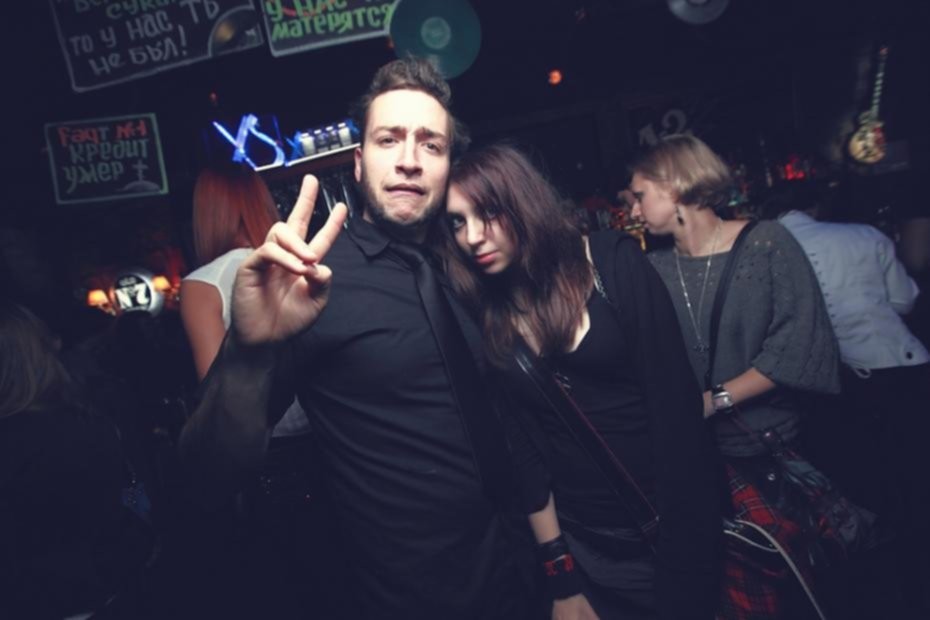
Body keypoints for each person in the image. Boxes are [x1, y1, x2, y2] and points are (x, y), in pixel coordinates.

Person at [178, 58, 535, 619]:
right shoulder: (311, 282)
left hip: (523, 577)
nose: (409, 160)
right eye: (389, 139)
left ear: (448, 166)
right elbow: (206, 475)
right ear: (359, 161)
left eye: (431, 144)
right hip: (409, 601)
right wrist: (249, 350)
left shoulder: (471, 262)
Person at [438, 144, 721, 619]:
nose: (472, 236)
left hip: (672, 531)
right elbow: (527, 454)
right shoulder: (489, 313)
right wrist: (562, 576)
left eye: (487, 213)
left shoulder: (612, 263)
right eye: (456, 222)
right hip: (588, 548)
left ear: (522, 203)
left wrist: (683, 564)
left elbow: (678, 416)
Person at [629, 135, 840, 616]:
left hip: (768, 447)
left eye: (640, 195)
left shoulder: (766, 243)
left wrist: (711, 401)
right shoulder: (652, 267)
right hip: (697, 461)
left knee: (796, 582)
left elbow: (798, 346)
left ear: (675, 186)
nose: (634, 210)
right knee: (732, 592)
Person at [763, 180, 930, 615]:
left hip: (838, 387)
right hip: (901, 367)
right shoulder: (863, 235)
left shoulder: (767, 250)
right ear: (814, 206)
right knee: (916, 480)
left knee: (865, 495)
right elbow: (904, 300)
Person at [0, 302, 138, 619]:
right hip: (100, 592)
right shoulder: (89, 425)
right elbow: (130, 489)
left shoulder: (83, 424)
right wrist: (142, 517)